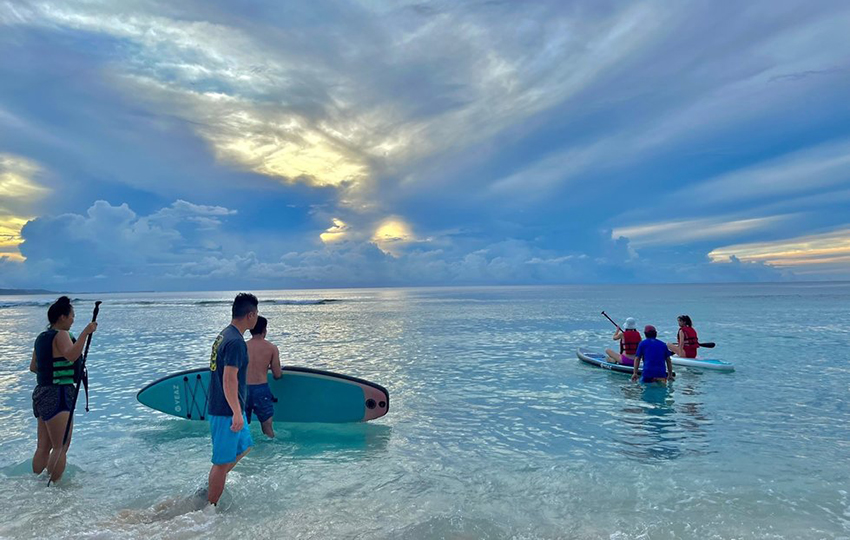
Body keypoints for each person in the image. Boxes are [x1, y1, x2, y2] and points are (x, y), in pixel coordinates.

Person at [29, 296, 98, 483]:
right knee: (61, 446)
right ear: (62, 317)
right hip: (58, 393)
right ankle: (53, 489)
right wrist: (86, 332)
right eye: (71, 316)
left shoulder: (42, 338)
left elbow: (33, 367)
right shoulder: (61, 335)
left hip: (41, 392)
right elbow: (72, 355)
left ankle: (36, 484)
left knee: (43, 446)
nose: (73, 319)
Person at [206, 293, 259, 506]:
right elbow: (229, 378)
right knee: (222, 462)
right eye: (256, 314)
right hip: (226, 410)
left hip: (227, 406)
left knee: (245, 446)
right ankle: (210, 508)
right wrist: (236, 412)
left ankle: (213, 484)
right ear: (251, 314)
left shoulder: (224, 335)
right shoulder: (236, 342)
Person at [245, 316, 282, 438]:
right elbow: (277, 375)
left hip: (243, 389)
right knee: (267, 426)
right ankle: (270, 454)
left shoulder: (242, 346)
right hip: (261, 389)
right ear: (264, 330)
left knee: (241, 425)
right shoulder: (271, 348)